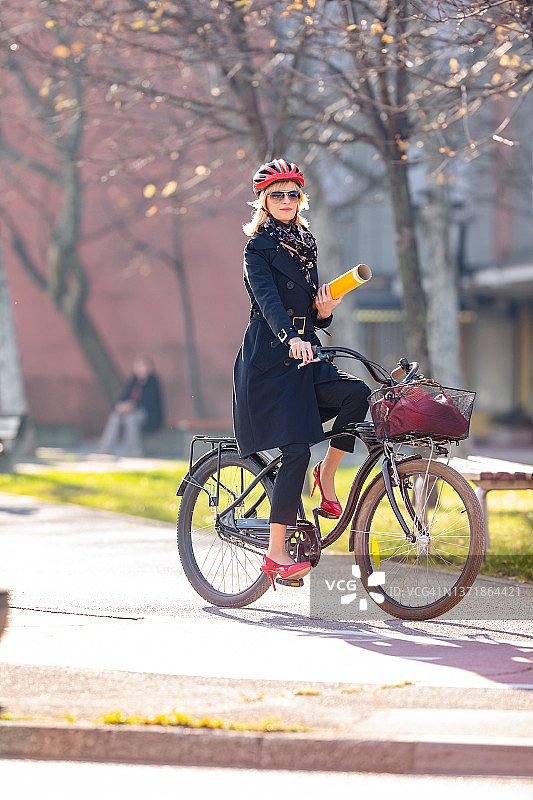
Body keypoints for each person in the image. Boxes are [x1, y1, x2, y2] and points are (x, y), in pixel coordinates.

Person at [232, 158, 371, 590]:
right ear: (263, 202)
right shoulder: (258, 248)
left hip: (305, 353)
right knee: (294, 450)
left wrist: (322, 310)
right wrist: (290, 337)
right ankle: (274, 556)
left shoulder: (305, 241)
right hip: (270, 362)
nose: (287, 201)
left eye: (293, 194)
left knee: (357, 394)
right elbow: (270, 302)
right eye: (278, 195)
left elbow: (306, 307)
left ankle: (327, 475)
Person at [99, 356, 164, 456]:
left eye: (146, 367)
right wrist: (119, 406)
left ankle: (135, 449)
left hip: (148, 414)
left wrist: (132, 406)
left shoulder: (153, 382)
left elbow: (148, 401)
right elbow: (124, 396)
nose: (143, 370)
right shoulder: (133, 380)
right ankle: (106, 446)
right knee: (115, 415)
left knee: (131, 418)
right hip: (130, 411)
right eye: (141, 367)